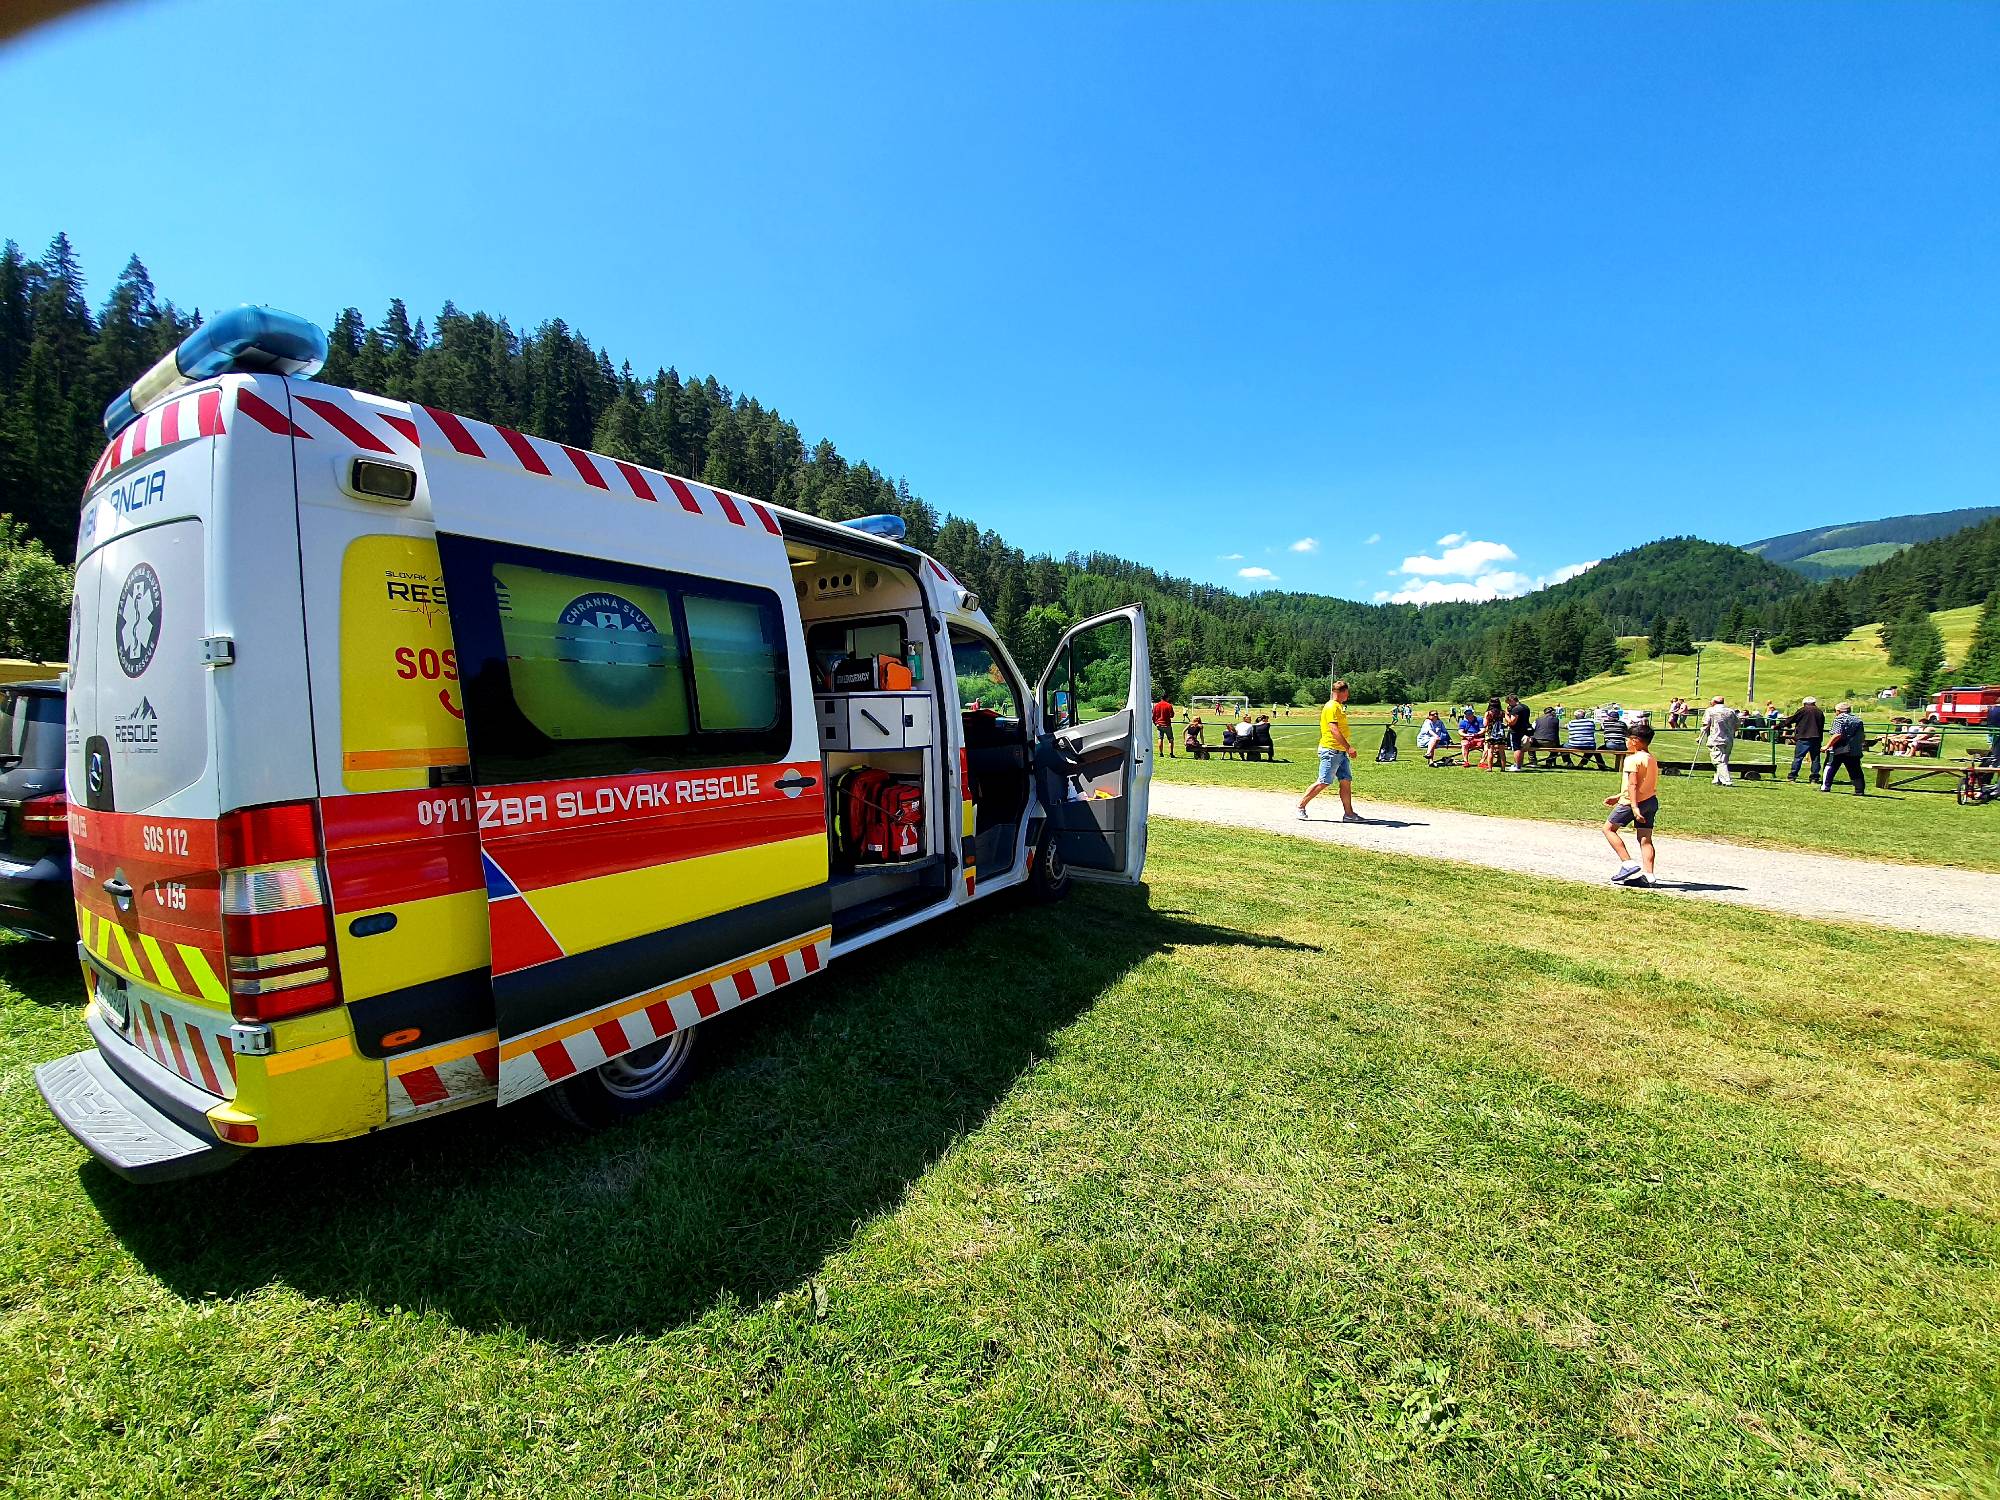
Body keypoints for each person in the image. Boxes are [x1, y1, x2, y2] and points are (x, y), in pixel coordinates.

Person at [1603, 721, 1660, 888]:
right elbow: (1642, 783)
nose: (1626, 742)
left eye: (1628, 739)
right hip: (1650, 800)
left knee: (1608, 829)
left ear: (1635, 740)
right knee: (1645, 838)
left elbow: (1633, 784)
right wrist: (1618, 795)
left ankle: (1627, 863)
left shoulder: (1632, 759)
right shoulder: (1651, 758)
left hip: (1632, 802)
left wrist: (1634, 807)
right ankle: (1649, 875)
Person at [1298, 679, 1361, 822]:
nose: (1347, 695)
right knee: (1324, 781)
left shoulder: (1338, 706)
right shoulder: (1332, 706)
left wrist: (1344, 749)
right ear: (1344, 692)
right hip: (1331, 750)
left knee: (1345, 781)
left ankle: (1349, 814)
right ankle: (1300, 806)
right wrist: (1348, 747)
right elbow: (1333, 729)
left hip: (1340, 752)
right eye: (1347, 692)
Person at [1821, 701, 1867, 795]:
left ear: (1838, 711)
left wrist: (1827, 746)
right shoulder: (1857, 719)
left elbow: (1837, 734)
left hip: (1840, 747)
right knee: (1855, 769)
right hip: (1854, 748)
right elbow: (1862, 735)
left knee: (1831, 766)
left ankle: (1826, 786)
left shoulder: (1839, 719)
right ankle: (1859, 790)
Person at [1700, 695, 1740, 786]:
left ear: (1714, 702)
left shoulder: (1710, 710)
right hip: (1728, 739)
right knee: (1724, 759)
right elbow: (1737, 725)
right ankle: (1717, 779)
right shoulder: (1730, 711)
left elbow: (1706, 725)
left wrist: (1700, 737)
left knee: (1718, 761)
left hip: (1716, 738)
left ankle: (1727, 780)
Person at [1788, 695, 1824, 783]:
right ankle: (1814, 778)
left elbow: (1791, 719)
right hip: (1816, 737)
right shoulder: (1819, 712)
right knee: (1815, 759)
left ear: (1804, 703)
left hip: (1803, 737)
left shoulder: (1803, 710)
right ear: (1814, 703)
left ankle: (1792, 776)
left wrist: (1778, 725)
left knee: (1798, 758)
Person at [1504, 693, 1533, 771]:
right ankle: (1518, 765)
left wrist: (1506, 715)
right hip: (1524, 729)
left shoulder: (1516, 709)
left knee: (1517, 749)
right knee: (1521, 748)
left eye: (1509, 702)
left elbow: (1512, 722)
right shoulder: (1525, 707)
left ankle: (1517, 766)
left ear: (1512, 700)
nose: (1509, 705)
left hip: (1516, 731)